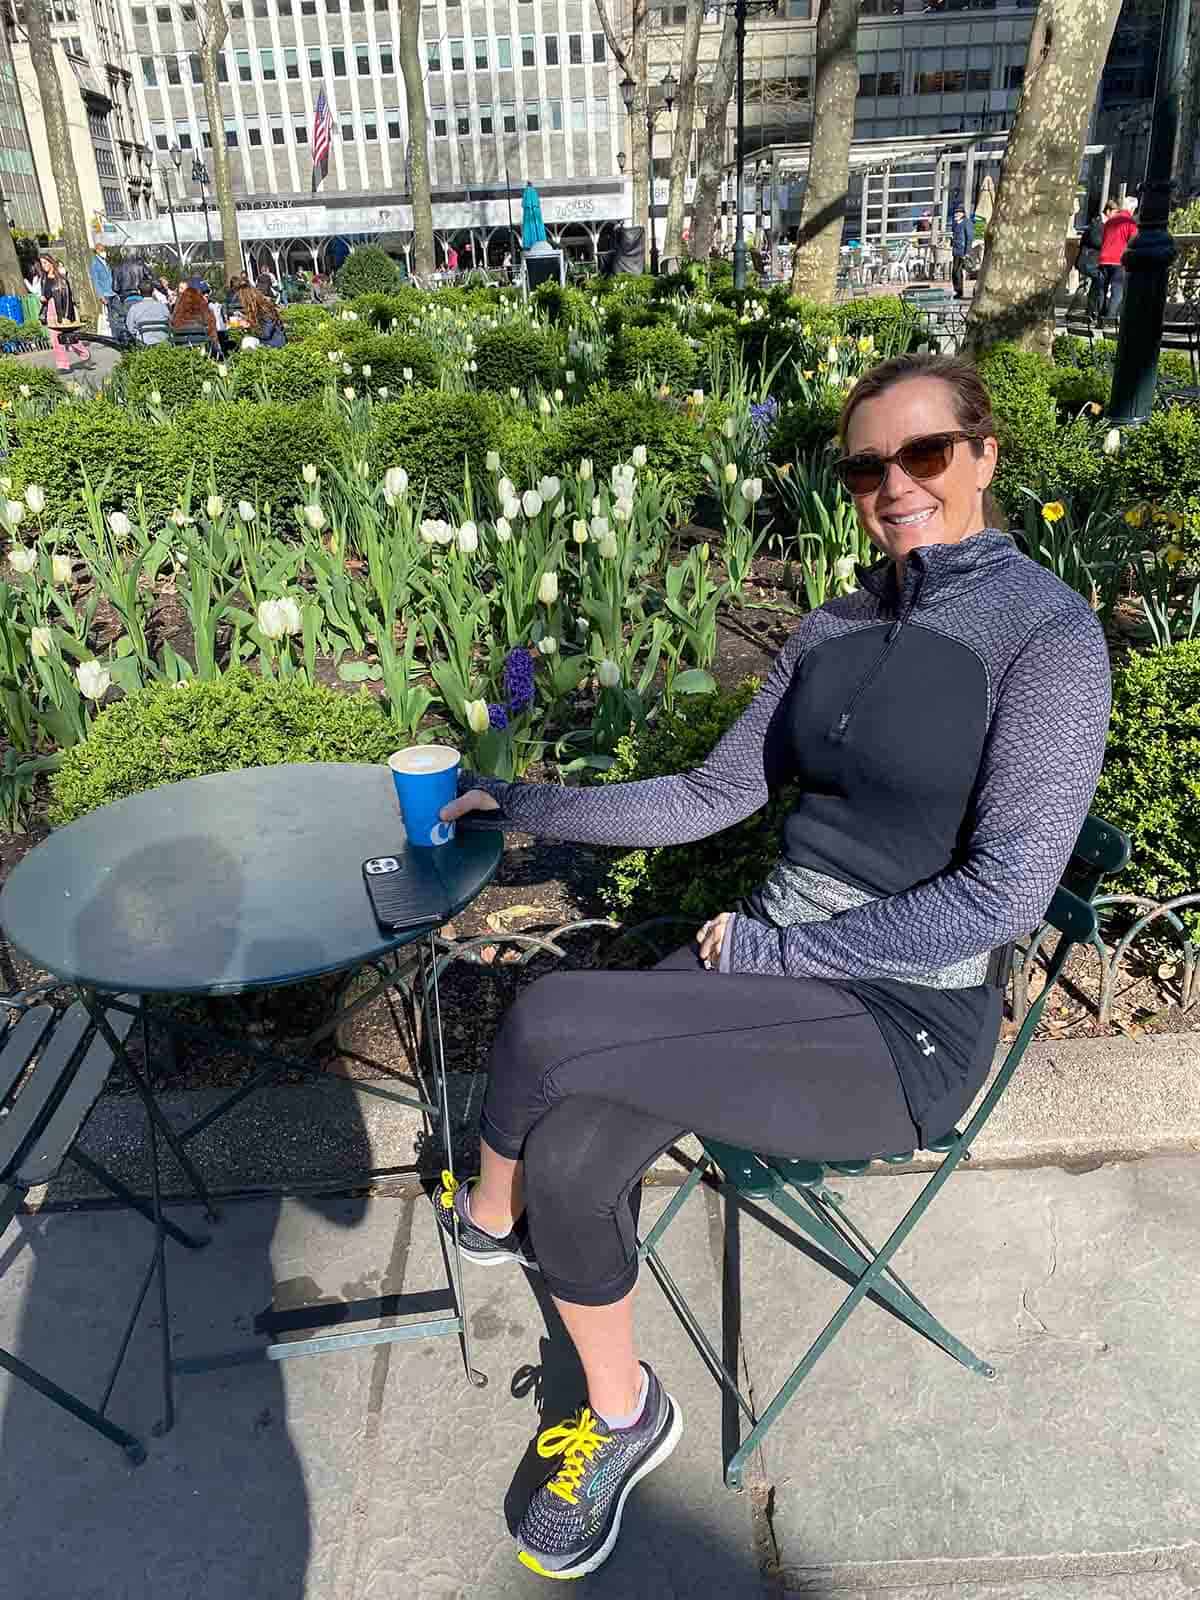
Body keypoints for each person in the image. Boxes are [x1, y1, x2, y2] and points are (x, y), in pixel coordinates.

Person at [432, 352, 1113, 1581]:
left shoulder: (1047, 639)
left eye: (924, 455)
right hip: (771, 977)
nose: (893, 485)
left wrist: (782, 945)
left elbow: (1005, 894)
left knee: (544, 1025)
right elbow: (708, 794)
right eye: (867, 465)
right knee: (577, 1154)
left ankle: (484, 1220)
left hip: (899, 1023)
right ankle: (626, 1415)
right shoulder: (837, 624)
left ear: (984, 455)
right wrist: (522, 803)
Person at [39, 255, 91, 372]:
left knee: (69, 337)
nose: (44, 266)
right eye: (42, 263)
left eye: (46, 263)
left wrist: (67, 314)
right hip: (50, 309)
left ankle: (84, 354)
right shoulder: (44, 279)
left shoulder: (61, 278)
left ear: (51, 262)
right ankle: (63, 365)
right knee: (55, 339)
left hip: (62, 310)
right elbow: (45, 294)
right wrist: (43, 298)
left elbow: (67, 297)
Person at [1098, 196, 1137, 323]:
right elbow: (1134, 243)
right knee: (1117, 291)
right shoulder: (1130, 222)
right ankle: (1109, 319)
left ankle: (1100, 318)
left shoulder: (1110, 221)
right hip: (1118, 260)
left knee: (1102, 290)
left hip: (1103, 259)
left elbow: (1103, 239)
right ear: (1131, 209)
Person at [171, 277, 220, 355]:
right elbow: (214, 342)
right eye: (203, 293)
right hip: (204, 357)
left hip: (182, 357)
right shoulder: (207, 315)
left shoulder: (176, 316)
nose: (206, 296)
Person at [1070, 210, 1105, 318]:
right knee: (1087, 285)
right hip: (1089, 261)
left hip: (1088, 261)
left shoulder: (1095, 224)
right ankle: (1075, 312)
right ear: (1109, 211)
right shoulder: (1098, 224)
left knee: (1088, 285)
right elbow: (1096, 241)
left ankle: (1088, 311)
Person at [124, 278, 171, 346]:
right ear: (153, 292)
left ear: (139, 292)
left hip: (144, 344)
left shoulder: (134, 308)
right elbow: (170, 323)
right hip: (163, 343)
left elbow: (131, 329)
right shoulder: (163, 307)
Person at [949, 205, 973, 299]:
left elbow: (969, 237)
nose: (956, 214)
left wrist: (967, 252)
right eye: (955, 212)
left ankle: (959, 291)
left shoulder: (967, 222)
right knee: (954, 272)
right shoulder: (955, 223)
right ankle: (957, 290)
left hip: (962, 251)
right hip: (956, 251)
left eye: (958, 212)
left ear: (962, 214)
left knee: (958, 272)